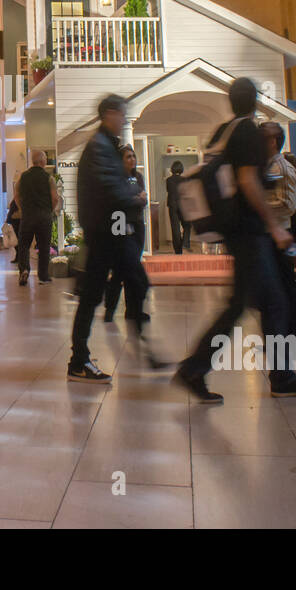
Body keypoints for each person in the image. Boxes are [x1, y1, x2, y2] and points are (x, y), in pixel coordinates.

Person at [173, 78, 296, 402]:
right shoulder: (248, 133)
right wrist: (275, 227)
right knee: (272, 303)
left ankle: (196, 369)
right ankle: (278, 377)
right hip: (250, 232)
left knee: (244, 305)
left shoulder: (223, 132)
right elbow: (247, 182)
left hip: (235, 231)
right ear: (255, 101)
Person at [67, 96, 148, 384]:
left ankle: (140, 345)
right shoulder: (100, 147)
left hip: (110, 232)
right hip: (105, 234)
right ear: (109, 114)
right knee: (94, 296)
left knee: (130, 283)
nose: (125, 120)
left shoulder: (105, 145)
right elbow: (110, 189)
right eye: (122, 115)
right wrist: (134, 199)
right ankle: (79, 361)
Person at [101, 146, 158, 360]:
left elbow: (143, 199)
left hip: (137, 225)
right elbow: (122, 202)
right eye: (128, 156)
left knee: (132, 267)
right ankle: (110, 308)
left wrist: (136, 199)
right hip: (121, 225)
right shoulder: (117, 179)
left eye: (134, 156)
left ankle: (134, 310)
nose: (132, 159)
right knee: (121, 270)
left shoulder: (138, 177)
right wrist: (135, 199)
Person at [261, 121, 296, 341]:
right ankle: (278, 336)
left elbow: (287, 204)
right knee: (274, 291)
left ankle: (294, 337)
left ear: (271, 141)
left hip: (278, 236)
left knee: (286, 289)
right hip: (269, 235)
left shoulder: (282, 168)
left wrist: (257, 207)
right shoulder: (268, 167)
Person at [15, 148, 58, 285]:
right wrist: (49, 211)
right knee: (44, 246)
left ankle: (24, 270)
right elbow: (55, 198)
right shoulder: (48, 178)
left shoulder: (23, 176)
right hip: (44, 216)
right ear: (42, 161)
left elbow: (16, 195)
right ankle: (43, 276)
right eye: (45, 159)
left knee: (23, 245)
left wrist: (22, 209)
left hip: (28, 216)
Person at [164, 160, 187, 254]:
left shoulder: (168, 180)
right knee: (186, 226)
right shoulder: (185, 179)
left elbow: (168, 190)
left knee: (175, 228)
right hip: (183, 205)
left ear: (172, 169)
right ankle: (183, 242)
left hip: (172, 205)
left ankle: (178, 250)